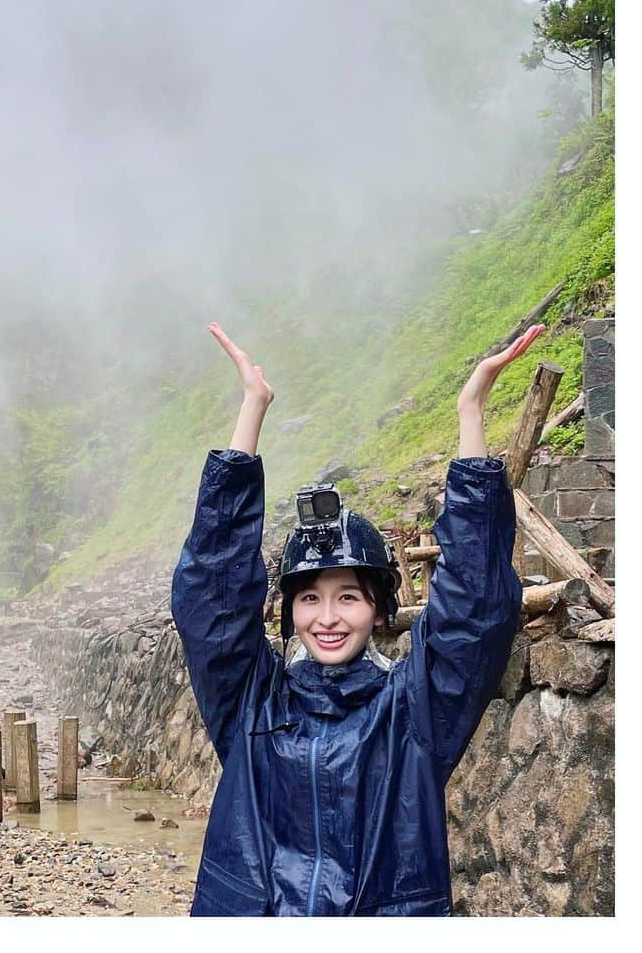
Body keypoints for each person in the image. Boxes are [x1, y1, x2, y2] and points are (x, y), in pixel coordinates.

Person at [171, 320, 543, 916]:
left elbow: (474, 612)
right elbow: (209, 593)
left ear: (378, 610)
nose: (327, 617)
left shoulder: (413, 712)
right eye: (309, 598)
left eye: (349, 596)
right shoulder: (249, 703)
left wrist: (470, 414)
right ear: (288, 612)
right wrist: (252, 410)